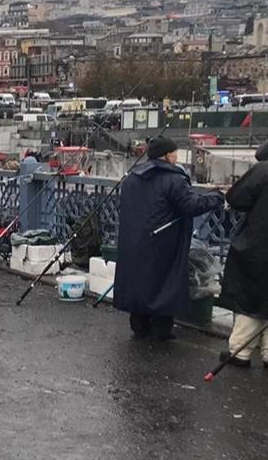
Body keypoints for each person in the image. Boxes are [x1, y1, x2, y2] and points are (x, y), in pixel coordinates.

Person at [115, 136, 225, 340]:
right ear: (167, 155)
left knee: (140, 281)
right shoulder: (173, 179)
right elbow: (191, 206)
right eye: (175, 152)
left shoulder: (132, 177)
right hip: (163, 241)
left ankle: (139, 325)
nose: (177, 155)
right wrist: (217, 196)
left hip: (135, 239)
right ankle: (160, 330)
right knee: (164, 283)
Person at [216, 141, 268, 366]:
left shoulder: (263, 170)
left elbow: (236, 198)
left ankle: (240, 351)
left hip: (260, 243)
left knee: (252, 297)